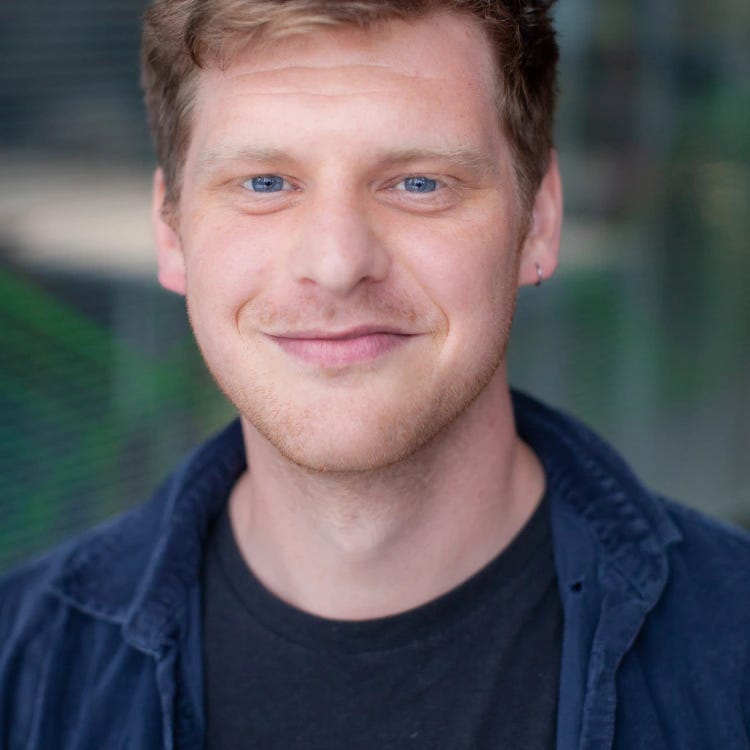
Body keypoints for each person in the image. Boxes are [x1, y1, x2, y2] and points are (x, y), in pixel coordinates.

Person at [1, 0, 749, 747]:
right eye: (264, 183)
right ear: (172, 232)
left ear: (539, 221)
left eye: (419, 183)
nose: (336, 264)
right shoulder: (18, 674)